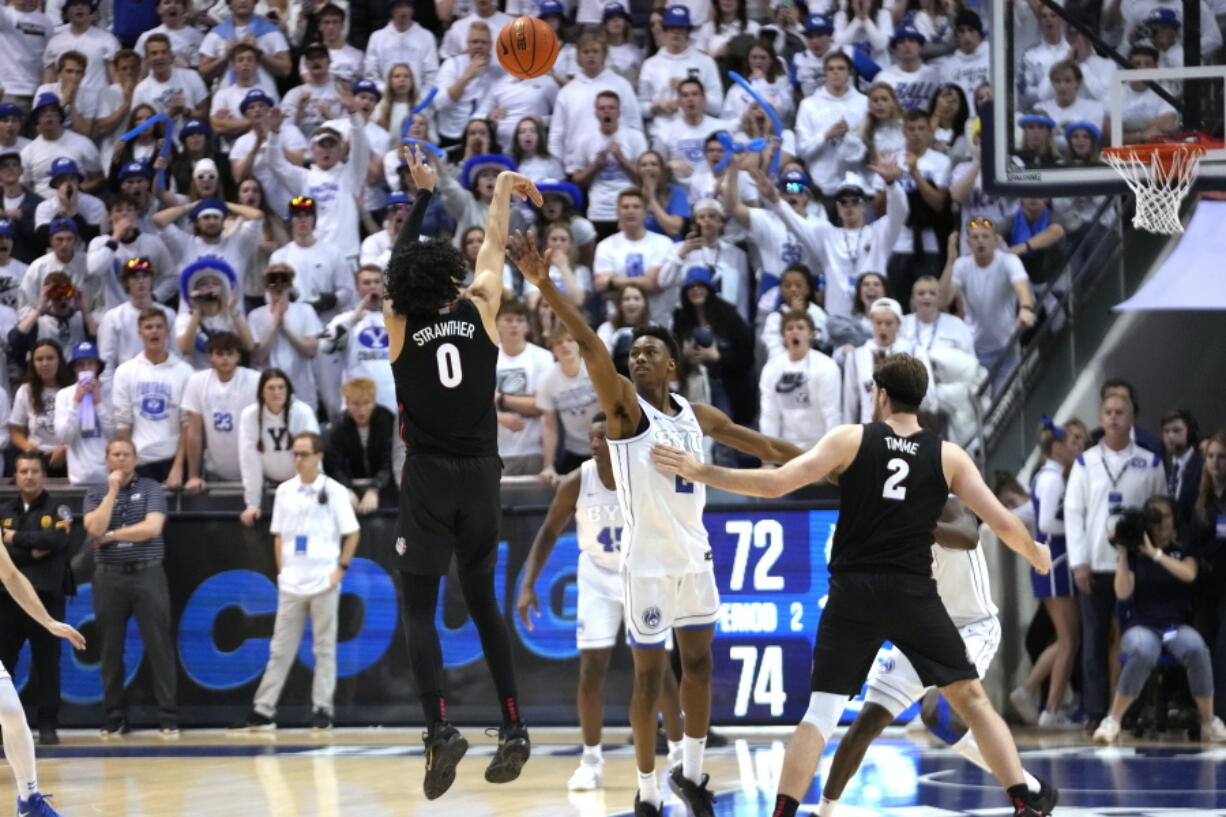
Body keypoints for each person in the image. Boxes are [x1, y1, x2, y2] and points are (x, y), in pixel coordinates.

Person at [648, 353, 1056, 817]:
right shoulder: (947, 455)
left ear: (880, 394)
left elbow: (777, 484)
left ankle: (783, 813)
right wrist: (1037, 553)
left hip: (853, 592)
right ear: (919, 399)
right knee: (973, 701)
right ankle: (1024, 801)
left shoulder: (851, 439)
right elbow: (1000, 523)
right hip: (911, 592)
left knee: (819, 714)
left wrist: (702, 471)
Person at [511, 229, 803, 817]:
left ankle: (690, 775)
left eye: (649, 352)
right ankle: (646, 793)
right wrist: (548, 285)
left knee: (697, 666)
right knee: (648, 682)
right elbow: (592, 346)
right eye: (633, 353)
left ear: (671, 364)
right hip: (643, 567)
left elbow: (764, 442)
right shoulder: (624, 411)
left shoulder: (697, 413)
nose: (638, 357)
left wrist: (833, 462)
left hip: (695, 559)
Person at [382, 148, 540, 798]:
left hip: (427, 476)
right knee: (481, 600)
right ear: (450, 275)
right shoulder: (480, 306)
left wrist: (421, 197)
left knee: (419, 606)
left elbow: (397, 267)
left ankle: (439, 728)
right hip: (481, 472)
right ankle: (513, 726)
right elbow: (495, 244)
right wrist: (499, 188)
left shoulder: (397, 323)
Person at [815, 497, 1053, 817]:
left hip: (971, 627)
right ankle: (824, 811)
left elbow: (967, 535)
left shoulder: (946, 501)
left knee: (939, 713)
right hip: (921, 629)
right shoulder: (869, 532)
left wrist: (910, 528)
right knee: (867, 722)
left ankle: (1024, 796)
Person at [515, 412, 683, 792]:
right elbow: (547, 532)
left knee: (660, 672)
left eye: (602, 438)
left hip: (643, 575)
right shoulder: (578, 481)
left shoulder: (643, 476)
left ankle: (677, 757)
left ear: (620, 440)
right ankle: (591, 761)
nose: (593, 445)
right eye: (591, 438)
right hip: (596, 576)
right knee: (591, 668)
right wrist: (528, 584)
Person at [230, 431, 359, 732]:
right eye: (295, 454)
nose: (298, 460)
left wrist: (340, 569)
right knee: (280, 647)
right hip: (292, 582)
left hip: (324, 580)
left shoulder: (335, 491)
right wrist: (282, 571)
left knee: (324, 647)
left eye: (304, 454)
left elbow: (352, 533)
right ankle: (263, 709)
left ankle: (322, 708)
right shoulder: (285, 491)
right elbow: (278, 535)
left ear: (319, 457)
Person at [1066, 390, 1168, 733]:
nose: (1113, 417)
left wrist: (1155, 556)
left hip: (1135, 564)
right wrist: (1079, 562)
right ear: (1100, 417)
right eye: (1108, 411)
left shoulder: (1150, 462)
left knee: (1135, 639)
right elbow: (1073, 515)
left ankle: (1132, 709)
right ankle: (1095, 709)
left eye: (1120, 412)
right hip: (1095, 564)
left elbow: (1161, 512)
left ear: (1132, 418)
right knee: (1093, 640)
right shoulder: (1085, 462)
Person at [1093, 495, 1226, 743]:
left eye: (1165, 516)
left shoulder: (1182, 550)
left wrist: (1155, 554)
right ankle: (1113, 720)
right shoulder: (1134, 553)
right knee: (1143, 651)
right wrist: (1123, 553)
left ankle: (1209, 721)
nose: (1160, 523)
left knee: (1197, 648)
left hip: (1173, 629)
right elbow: (1123, 592)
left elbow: (1189, 574)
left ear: (1174, 519)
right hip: (1142, 627)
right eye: (1153, 517)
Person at [0, 451, 84, 816]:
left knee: (12, 714)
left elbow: (11, 576)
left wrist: (48, 621)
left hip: (42, 596)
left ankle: (29, 801)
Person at [82, 438, 178, 737]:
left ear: (135, 459)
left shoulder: (151, 488)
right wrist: (112, 490)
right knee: (110, 649)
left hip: (146, 574)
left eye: (126, 455)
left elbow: (151, 528)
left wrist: (111, 536)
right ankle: (114, 716)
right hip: (109, 577)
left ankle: (168, 716)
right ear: (107, 459)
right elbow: (92, 528)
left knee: (159, 645)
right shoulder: (96, 492)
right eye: (115, 454)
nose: (121, 459)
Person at [1011, 419, 1083, 728]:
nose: (1074, 449)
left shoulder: (1047, 476)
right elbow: (1047, 523)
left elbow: (1030, 515)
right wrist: (1081, 526)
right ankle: (1045, 705)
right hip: (1055, 559)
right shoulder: (1052, 478)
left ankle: (1037, 698)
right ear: (1056, 447)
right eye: (1070, 444)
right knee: (1069, 639)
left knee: (1069, 638)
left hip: (1052, 559)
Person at [111, 308, 194, 484]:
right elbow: (122, 424)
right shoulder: (125, 371)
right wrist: (128, 467)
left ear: (167, 331)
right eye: (148, 327)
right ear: (140, 333)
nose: (154, 331)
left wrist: (178, 466)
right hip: (138, 462)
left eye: (159, 326)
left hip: (172, 459)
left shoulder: (185, 372)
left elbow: (187, 425)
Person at [238, 368, 321, 529]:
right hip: (269, 484)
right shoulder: (249, 416)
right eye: (271, 388)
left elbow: (312, 456)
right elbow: (249, 460)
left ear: (288, 390)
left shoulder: (302, 412)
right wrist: (252, 504)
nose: (277, 392)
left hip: (300, 482)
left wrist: (310, 494)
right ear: (262, 392)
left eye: (281, 387)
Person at [180, 332, 260, 493]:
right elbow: (194, 432)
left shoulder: (255, 380)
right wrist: (193, 475)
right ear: (210, 356)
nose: (225, 359)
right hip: (215, 471)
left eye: (230, 353)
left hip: (253, 469)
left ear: (238, 356)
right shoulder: (197, 381)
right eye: (220, 353)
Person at [758, 310, 842, 451]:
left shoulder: (826, 366)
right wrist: (767, 457)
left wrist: (832, 454)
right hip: (786, 448)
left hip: (819, 446)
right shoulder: (772, 368)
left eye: (800, 327)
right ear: (783, 336)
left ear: (811, 334)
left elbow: (832, 413)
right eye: (789, 328)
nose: (794, 332)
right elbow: (769, 414)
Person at [324, 378, 398, 512]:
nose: (361, 410)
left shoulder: (387, 420)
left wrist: (375, 489)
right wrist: (345, 488)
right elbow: (334, 465)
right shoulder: (338, 425)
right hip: (350, 484)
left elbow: (390, 461)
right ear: (346, 403)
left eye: (366, 403)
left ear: (374, 402)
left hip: (385, 485)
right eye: (356, 404)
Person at [53, 340, 112, 486]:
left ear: (97, 366)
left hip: (108, 475)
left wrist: (98, 401)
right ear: (74, 368)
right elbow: (64, 437)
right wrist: (76, 402)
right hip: (79, 476)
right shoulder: (64, 395)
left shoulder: (110, 392)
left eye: (90, 363)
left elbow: (115, 435)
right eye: (80, 364)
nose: (85, 368)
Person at [1162, 408, 1203, 523]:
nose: (1170, 436)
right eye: (1166, 431)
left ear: (1189, 433)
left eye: (1176, 431)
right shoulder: (1163, 467)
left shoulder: (1201, 466)